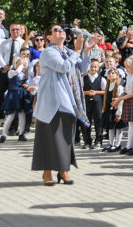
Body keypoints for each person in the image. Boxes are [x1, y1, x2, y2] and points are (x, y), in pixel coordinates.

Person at [32, 26, 92, 185]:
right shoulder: (48, 52)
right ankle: (47, 172)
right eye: (56, 30)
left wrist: (85, 52)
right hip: (53, 101)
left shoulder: (68, 51)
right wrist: (78, 51)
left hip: (70, 99)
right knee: (49, 137)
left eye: (62, 30)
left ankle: (63, 170)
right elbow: (63, 67)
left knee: (66, 136)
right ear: (49, 38)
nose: (61, 32)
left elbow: (83, 69)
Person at [0, 50, 32, 143]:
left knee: (22, 115)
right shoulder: (11, 71)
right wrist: (21, 66)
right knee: (11, 115)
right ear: (15, 63)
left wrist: (26, 85)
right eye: (19, 63)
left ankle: (21, 134)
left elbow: (26, 81)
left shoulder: (23, 74)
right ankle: (3, 135)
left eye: (23, 64)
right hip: (13, 94)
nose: (21, 65)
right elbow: (17, 72)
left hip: (21, 94)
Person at [80, 58, 105, 149]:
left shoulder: (101, 79)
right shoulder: (83, 78)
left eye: (95, 67)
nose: (93, 68)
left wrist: (96, 92)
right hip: (86, 102)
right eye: (91, 67)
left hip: (97, 102)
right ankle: (87, 141)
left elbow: (105, 91)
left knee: (98, 120)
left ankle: (98, 140)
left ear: (98, 68)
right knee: (86, 121)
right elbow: (79, 91)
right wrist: (87, 93)